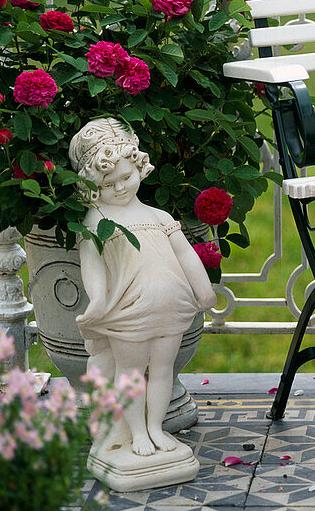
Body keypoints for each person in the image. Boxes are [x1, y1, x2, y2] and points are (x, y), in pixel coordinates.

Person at [69, 118, 216, 457]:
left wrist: (203, 291)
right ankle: (137, 433)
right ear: (93, 185)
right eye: (109, 183)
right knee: (131, 373)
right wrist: (99, 300)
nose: (120, 187)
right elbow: (92, 263)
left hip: (172, 305)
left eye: (126, 177)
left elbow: (185, 255)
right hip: (128, 310)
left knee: (163, 369)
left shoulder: (159, 216)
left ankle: (154, 427)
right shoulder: (95, 221)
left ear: (139, 167)